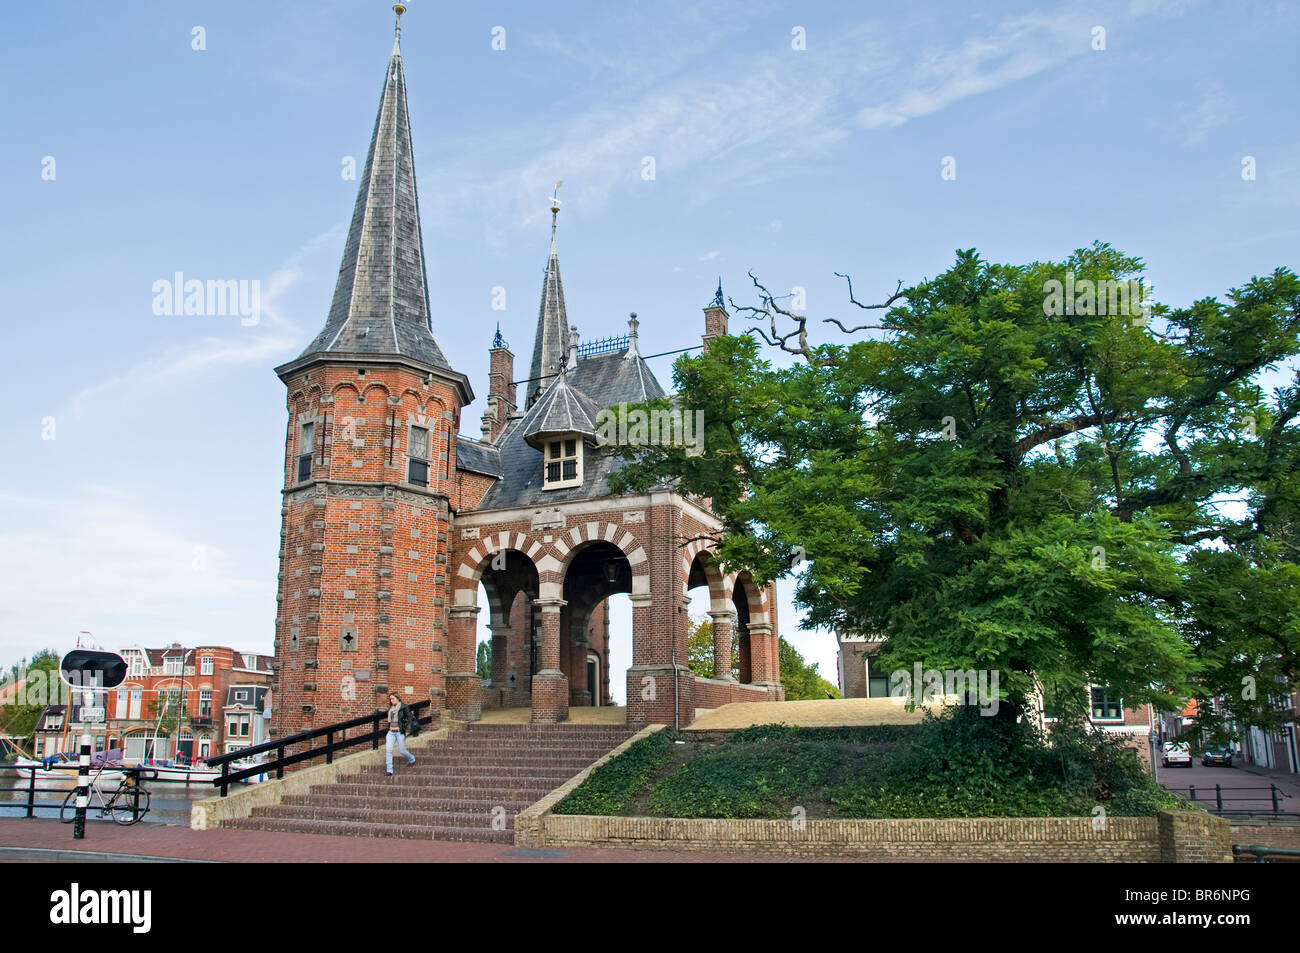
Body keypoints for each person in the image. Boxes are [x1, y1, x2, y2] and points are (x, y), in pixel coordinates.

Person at [384, 692, 417, 776]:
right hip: (391, 732)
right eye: (390, 699)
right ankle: (389, 770)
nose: (391, 701)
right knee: (388, 750)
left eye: (393, 699)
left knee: (401, 750)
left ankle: (412, 759)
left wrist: (408, 730)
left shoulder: (404, 707)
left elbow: (409, 718)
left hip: (400, 732)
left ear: (397, 699)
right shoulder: (391, 708)